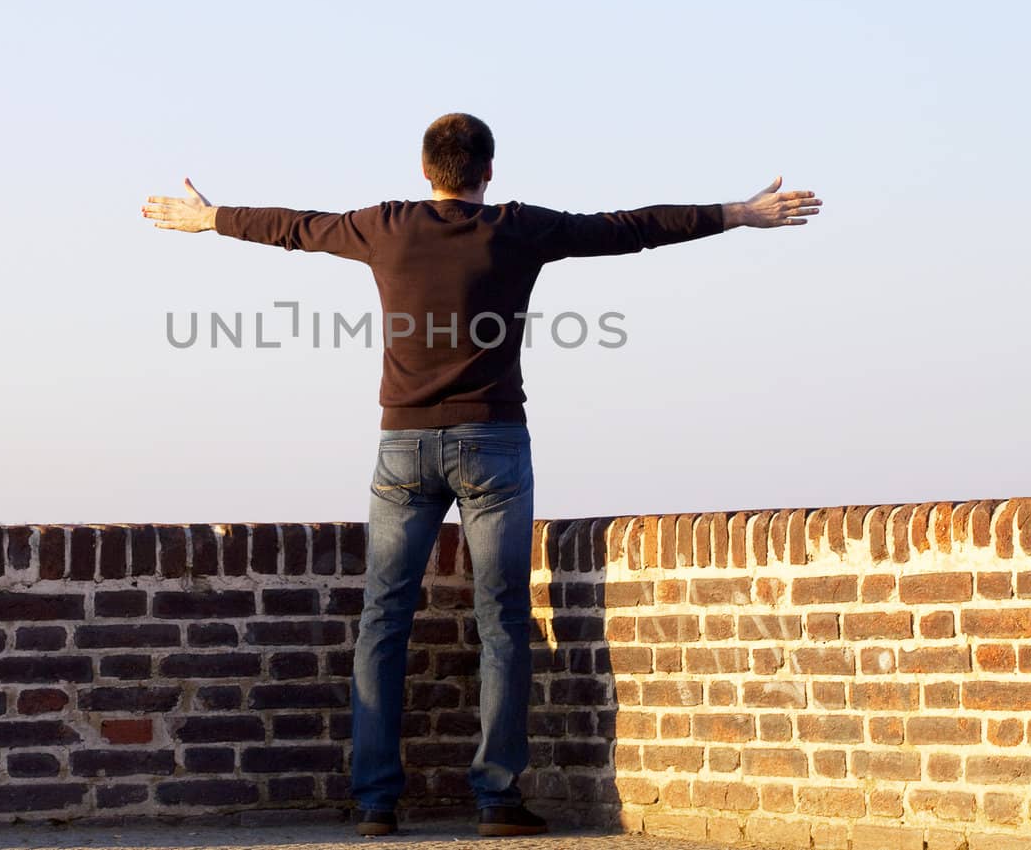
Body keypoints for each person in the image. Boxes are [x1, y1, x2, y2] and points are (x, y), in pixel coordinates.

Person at [140, 112, 821, 838]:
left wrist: (211, 218)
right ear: (488, 171)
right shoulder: (516, 228)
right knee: (501, 621)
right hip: (493, 442)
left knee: (383, 621)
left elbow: (296, 227)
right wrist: (739, 214)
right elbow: (628, 227)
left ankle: (376, 803)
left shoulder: (386, 225)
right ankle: (496, 798)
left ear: (425, 170)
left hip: (402, 447)